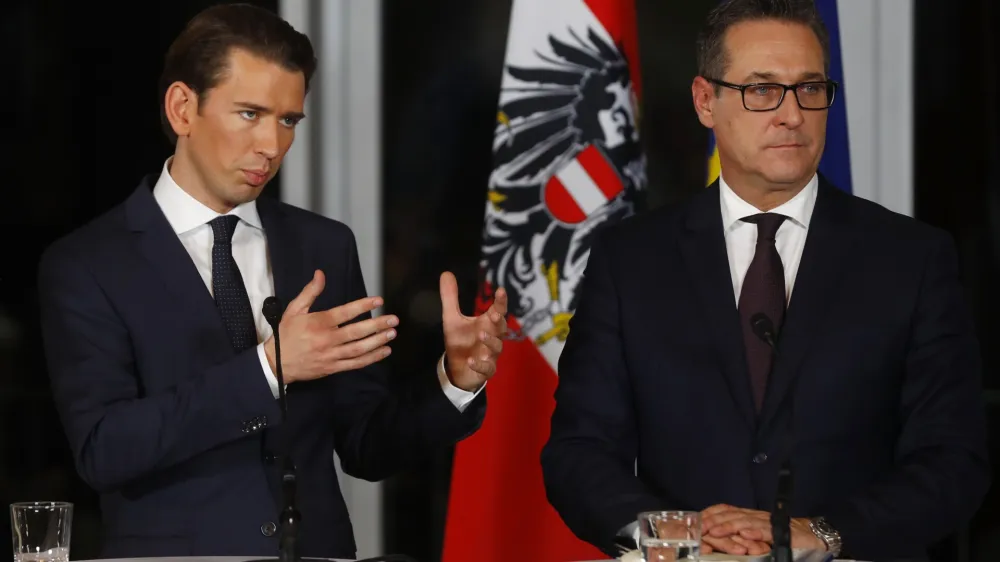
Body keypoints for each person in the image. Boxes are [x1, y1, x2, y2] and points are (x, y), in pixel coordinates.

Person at [37, 3, 508, 559]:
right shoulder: (89, 263)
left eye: (288, 120)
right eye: (250, 114)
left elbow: (366, 445)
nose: (272, 145)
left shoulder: (324, 246)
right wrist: (268, 368)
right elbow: (104, 450)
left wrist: (453, 381)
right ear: (183, 108)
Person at [540, 0, 990, 560]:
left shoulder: (911, 259)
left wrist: (822, 533)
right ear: (707, 101)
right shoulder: (629, 261)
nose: (792, 114)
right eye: (761, 90)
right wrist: (672, 534)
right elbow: (579, 451)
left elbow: (954, 460)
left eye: (810, 88)